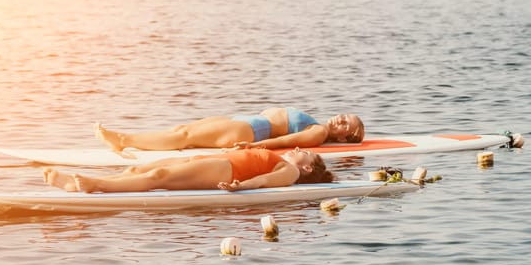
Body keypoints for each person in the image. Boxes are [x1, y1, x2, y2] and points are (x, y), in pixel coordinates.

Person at [43, 147, 334, 193]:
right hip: (216, 159)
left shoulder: (293, 172)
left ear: (308, 167)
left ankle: (97, 185)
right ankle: (75, 185)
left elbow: (266, 180)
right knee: (137, 168)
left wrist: (240, 186)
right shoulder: (282, 159)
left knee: (159, 178)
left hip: (223, 170)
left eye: (302, 152)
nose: (295, 149)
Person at [94, 107, 364, 151]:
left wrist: (254, 147)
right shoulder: (318, 124)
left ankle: (123, 140)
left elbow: (287, 142)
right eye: (344, 115)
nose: (340, 119)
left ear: (345, 136)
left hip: (251, 132)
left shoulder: (317, 132)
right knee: (182, 129)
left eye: (346, 123)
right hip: (244, 121)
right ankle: (130, 139)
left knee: (184, 137)